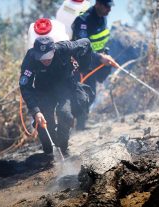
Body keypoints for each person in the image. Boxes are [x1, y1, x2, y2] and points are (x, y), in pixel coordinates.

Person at [19, 36, 93, 155]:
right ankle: (49, 151)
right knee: (43, 120)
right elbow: (25, 86)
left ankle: (63, 148)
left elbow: (87, 43)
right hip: (43, 90)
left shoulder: (65, 48)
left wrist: (83, 67)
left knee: (65, 114)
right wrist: (36, 111)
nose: (45, 60)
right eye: (41, 57)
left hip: (65, 87)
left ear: (53, 50)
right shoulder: (30, 58)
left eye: (48, 56)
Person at [71, 0, 119, 130]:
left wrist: (105, 54)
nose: (109, 10)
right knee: (86, 94)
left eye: (110, 7)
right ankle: (76, 125)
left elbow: (101, 40)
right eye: (106, 6)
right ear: (98, 4)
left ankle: (81, 124)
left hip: (97, 60)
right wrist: (100, 57)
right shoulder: (83, 21)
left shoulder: (102, 18)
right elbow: (81, 48)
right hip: (82, 63)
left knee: (91, 94)